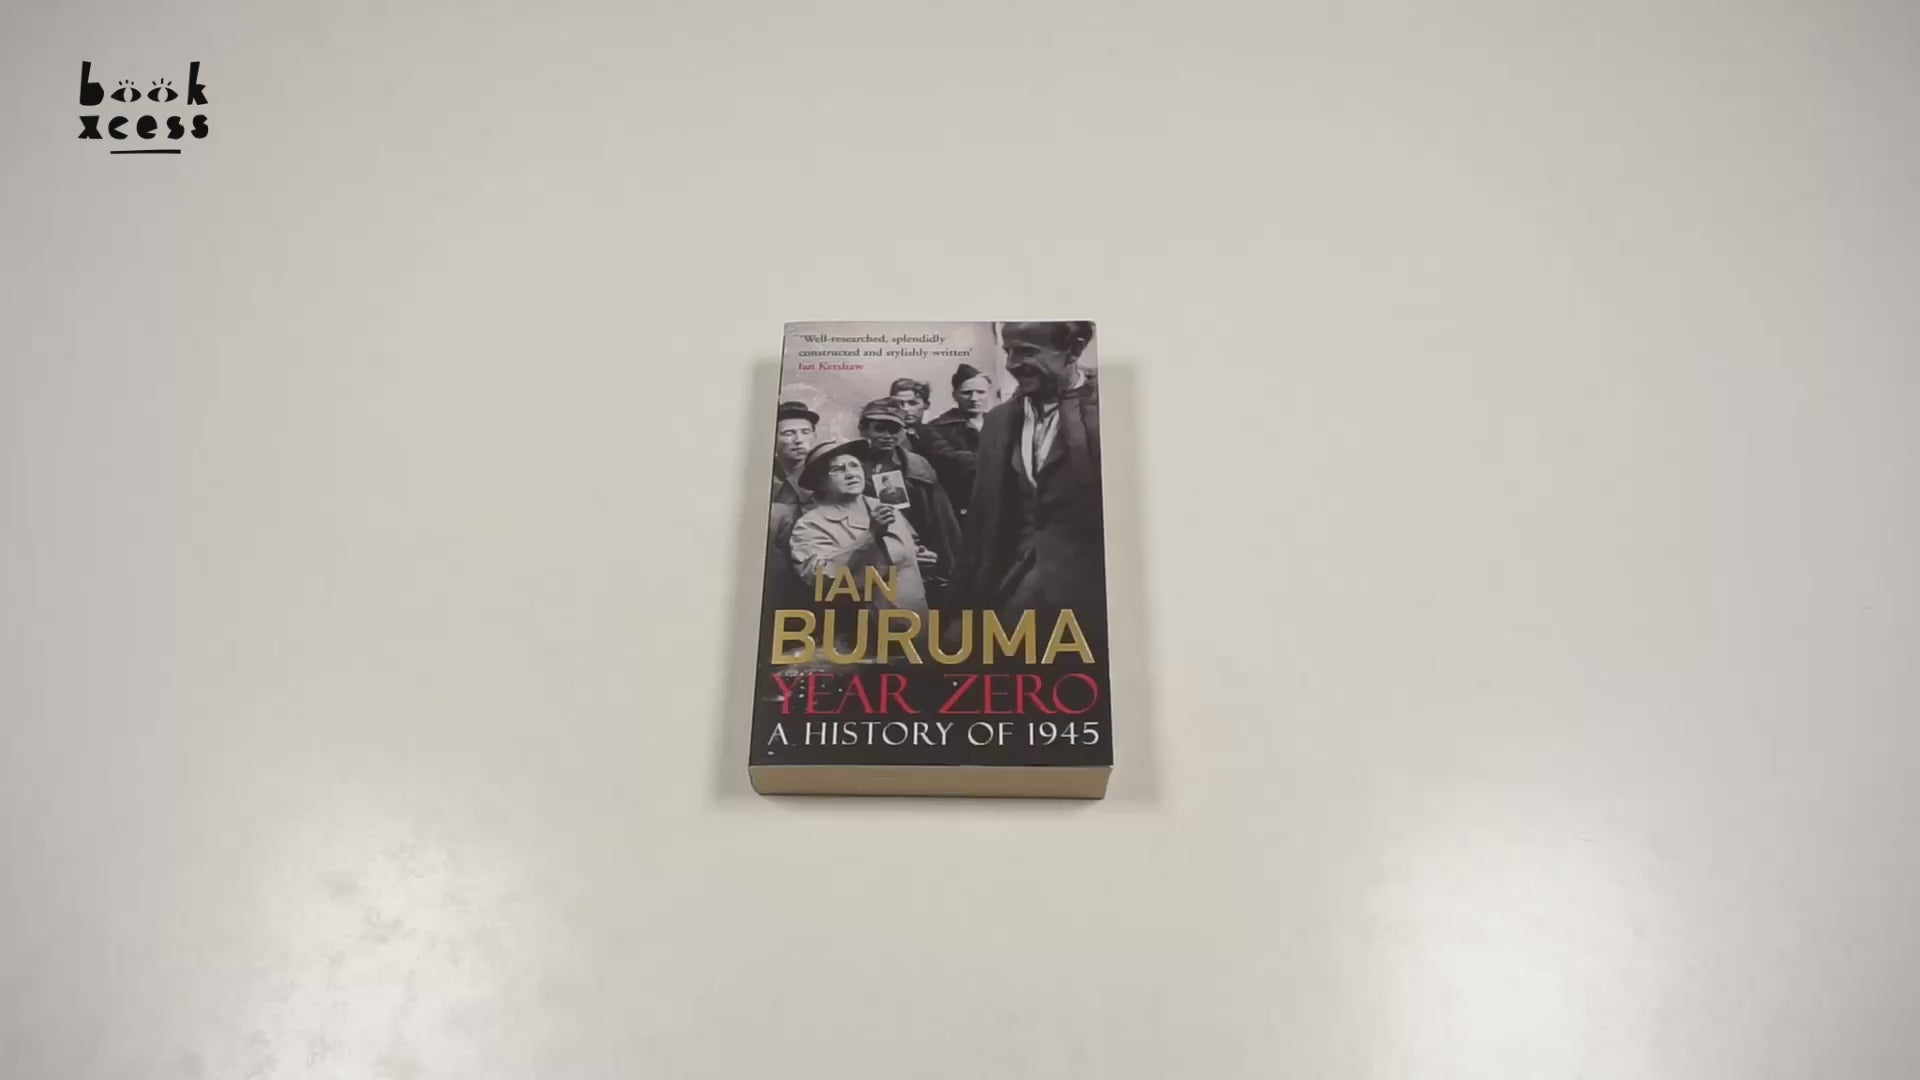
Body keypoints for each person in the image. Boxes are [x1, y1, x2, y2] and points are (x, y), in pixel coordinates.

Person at [964, 322, 1105, 634]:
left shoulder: (1110, 410)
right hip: (1010, 591)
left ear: (1074, 350)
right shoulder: (998, 421)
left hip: (1091, 601)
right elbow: (982, 518)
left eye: (1026, 352)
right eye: (1008, 352)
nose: (1012, 364)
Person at [788, 439, 928, 619]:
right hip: (865, 627)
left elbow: (907, 547)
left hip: (917, 620)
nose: (850, 474)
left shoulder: (883, 506)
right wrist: (870, 536)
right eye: (838, 469)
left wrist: (917, 555)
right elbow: (822, 581)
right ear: (819, 482)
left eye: (854, 465)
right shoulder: (810, 525)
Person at [856, 398, 964, 605]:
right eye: (880, 429)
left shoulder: (916, 467)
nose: (888, 436)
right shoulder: (853, 468)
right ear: (863, 430)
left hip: (919, 558)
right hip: (871, 556)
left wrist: (940, 560)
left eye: (894, 430)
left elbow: (941, 521)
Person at [918, 362, 994, 520]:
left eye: (980, 392)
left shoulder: (1000, 424)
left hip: (996, 505)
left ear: (989, 393)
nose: (974, 398)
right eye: (967, 393)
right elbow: (950, 460)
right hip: (958, 508)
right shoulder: (935, 428)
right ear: (955, 395)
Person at [765, 400, 819, 610]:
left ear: (814, 436)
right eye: (788, 433)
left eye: (805, 432)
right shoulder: (762, 477)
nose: (798, 440)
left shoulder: (826, 476)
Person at [888, 377, 932, 450]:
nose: (905, 409)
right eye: (900, 403)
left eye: (912, 403)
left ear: (926, 405)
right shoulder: (883, 434)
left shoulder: (933, 434)